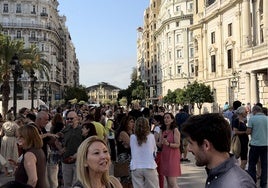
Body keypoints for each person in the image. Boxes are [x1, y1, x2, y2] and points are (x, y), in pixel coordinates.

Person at [182, 113, 256, 188]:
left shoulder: (236, 184)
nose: (188, 149)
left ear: (206, 145)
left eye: (191, 143)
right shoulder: (216, 174)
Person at [130, 117, 159, 188]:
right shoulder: (151, 136)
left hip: (136, 166)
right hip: (149, 165)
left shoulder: (132, 137)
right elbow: (154, 150)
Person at [60, 110, 83, 188]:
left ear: (77, 118)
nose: (69, 120)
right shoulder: (65, 129)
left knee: (77, 184)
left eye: (71, 118)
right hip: (66, 160)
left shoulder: (82, 129)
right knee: (67, 183)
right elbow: (56, 138)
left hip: (78, 161)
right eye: (68, 118)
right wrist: (60, 148)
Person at [247, 105, 268, 188]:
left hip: (255, 145)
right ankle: (263, 184)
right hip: (265, 145)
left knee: (252, 164)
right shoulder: (267, 118)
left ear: (255, 111)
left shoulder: (252, 119)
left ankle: (252, 182)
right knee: (264, 165)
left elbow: (248, 132)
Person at [158, 112, 181, 188]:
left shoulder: (175, 130)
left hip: (173, 157)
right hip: (165, 157)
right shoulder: (162, 130)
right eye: (164, 118)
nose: (166, 119)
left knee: (172, 182)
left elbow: (178, 144)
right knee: (168, 181)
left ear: (172, 120)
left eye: (168, 118)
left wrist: (169, 144)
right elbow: (160, 144)